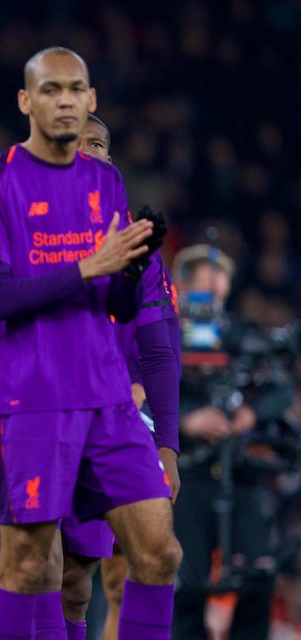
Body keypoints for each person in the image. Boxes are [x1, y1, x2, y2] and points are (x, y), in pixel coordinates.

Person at [0, 47, 182, 639]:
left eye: (75, 89)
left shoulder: (106, 180)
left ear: (91, 100)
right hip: (32, 400)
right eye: (51, 89)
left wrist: (129, 271)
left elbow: (117, 307)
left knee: (159, 553)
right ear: (26, 101)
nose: (64, 101)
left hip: (109, 401)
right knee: (32, 565)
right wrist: (89, 265)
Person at [171, 245, 273, 639]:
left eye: (222, 276)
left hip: (240, 471)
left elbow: (277, 384)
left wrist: (252, 413)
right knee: (187, 583)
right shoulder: (161, 335)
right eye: (205, 276)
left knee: (257, 575)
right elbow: (139, 396)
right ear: (182, 283)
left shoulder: (239, 334)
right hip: (188, 474)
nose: (215, 284)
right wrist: (186, 419)